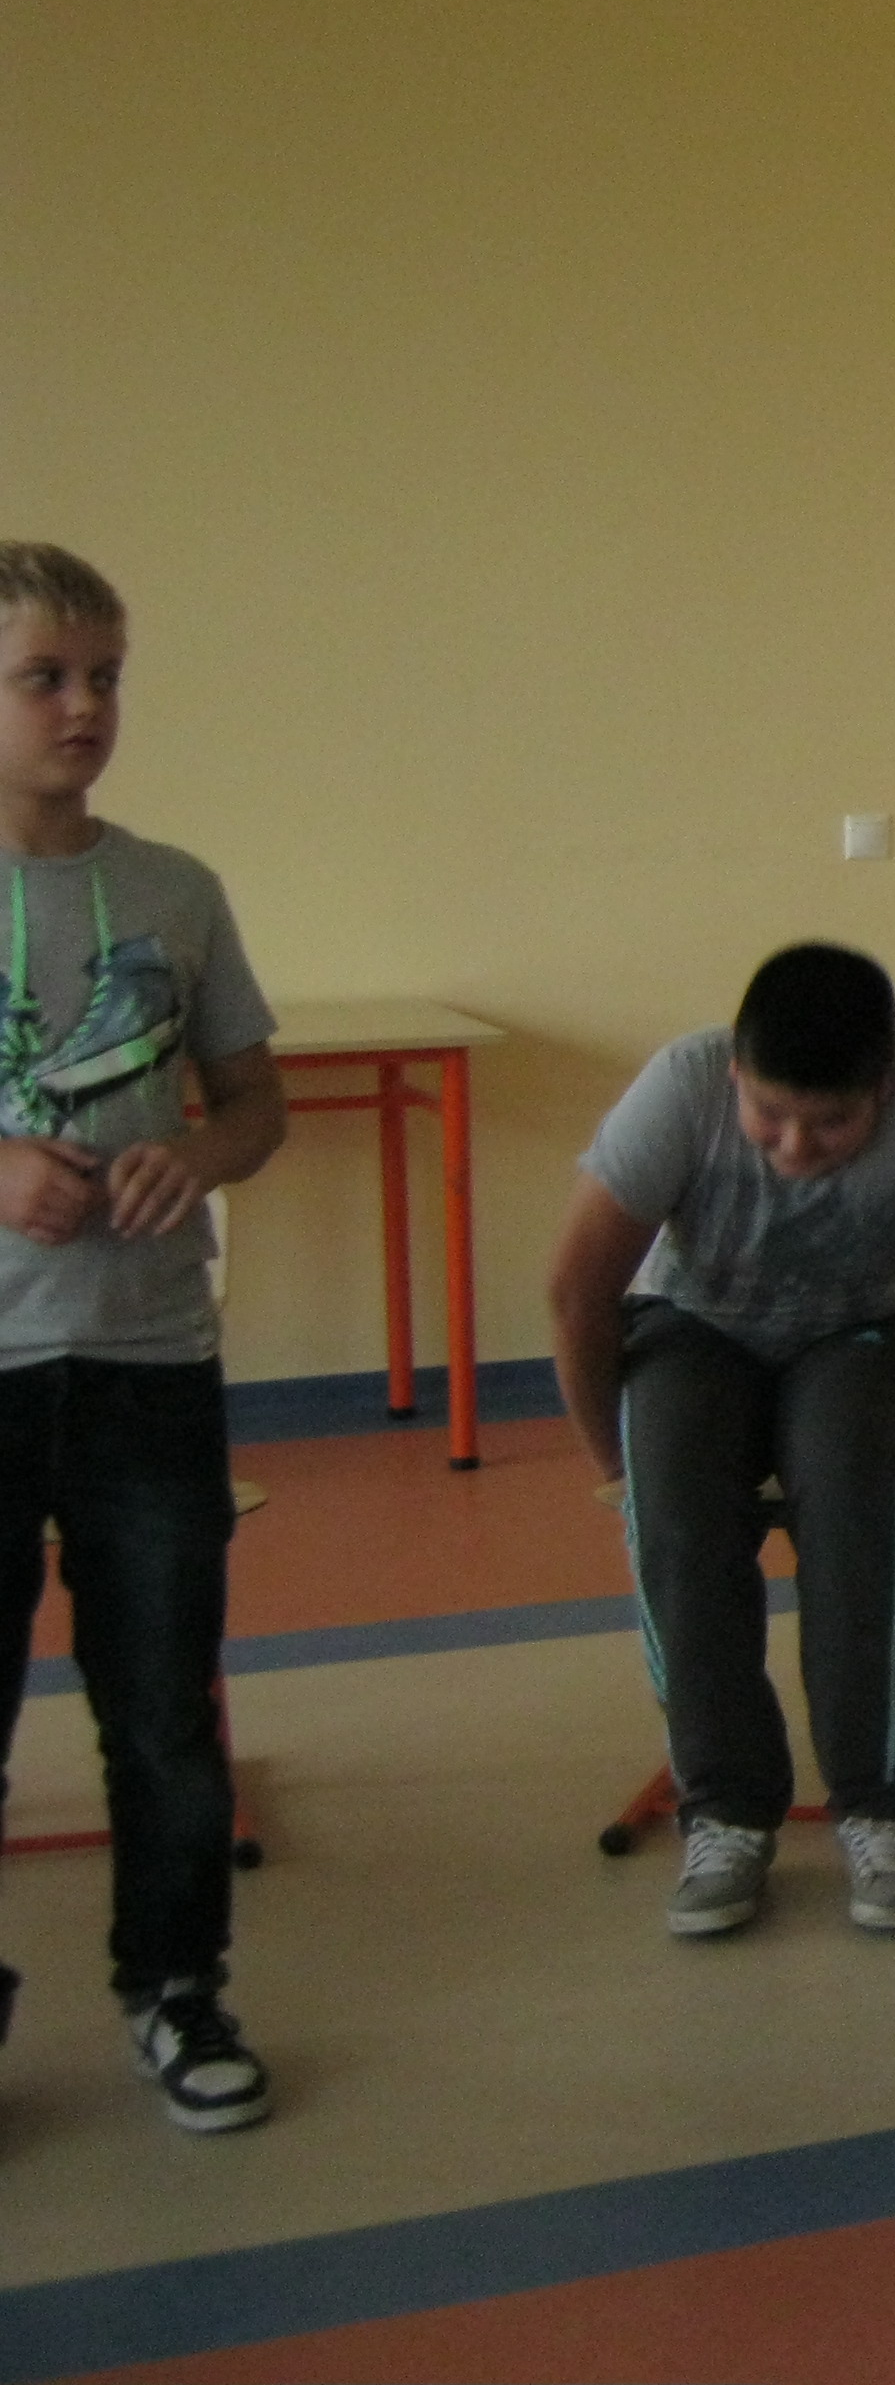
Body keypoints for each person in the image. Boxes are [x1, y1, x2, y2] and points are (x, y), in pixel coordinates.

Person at [549, 943, 895, 1939]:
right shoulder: (682, 1084)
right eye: (769, 1114)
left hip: (864, 1334)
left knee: (855, 1491)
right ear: (735, 1071)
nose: (795, 1146)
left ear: (884, 1087)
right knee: (678, 1514)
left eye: (833, 1123)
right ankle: (725, 1813)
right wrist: (616, 1464)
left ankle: (878, 1806)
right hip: (694, 1328)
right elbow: (577, 1291)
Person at [0, 541, 288, 2131]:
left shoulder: (176, 890)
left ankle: (178, 1988)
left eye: (104, 676)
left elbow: (253, 1102)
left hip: (149, 1362)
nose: (84, 707)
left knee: (167, 1715)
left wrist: (203, 1154)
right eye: (44, 677)